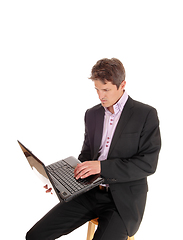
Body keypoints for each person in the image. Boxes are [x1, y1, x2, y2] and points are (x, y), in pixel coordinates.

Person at [26, 58, 161, 240]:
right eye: (97, 89)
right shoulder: (92, 114)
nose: (100, 96)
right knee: (35, 236)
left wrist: (102, 167)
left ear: (122, 85)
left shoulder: (145, 114)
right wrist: (59, 182)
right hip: (88, 192)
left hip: (123, 200)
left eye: (106, 90)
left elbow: (147, 164)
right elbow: (86, 156)